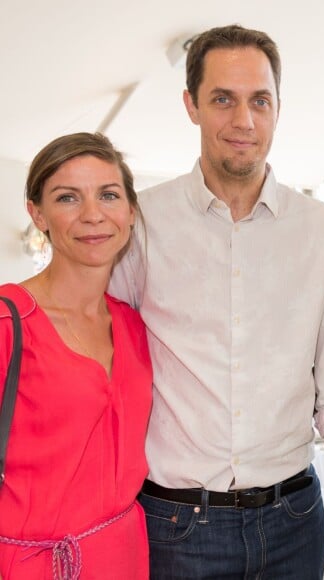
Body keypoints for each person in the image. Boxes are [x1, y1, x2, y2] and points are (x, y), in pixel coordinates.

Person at [109, 23, 324, 580]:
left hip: (295, 521)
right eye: (223, 99)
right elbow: (105, 363)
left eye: (259, 101)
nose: (244, 121)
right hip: (174, 525)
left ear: (277, 108)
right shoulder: (141, 222)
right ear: (191, 105)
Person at [0, 132, 152, 579]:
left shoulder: (134, 324)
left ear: (129, 212)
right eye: (67, 198)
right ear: (38, 214)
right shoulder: (9, 322)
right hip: (28, 566)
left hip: (127, 555)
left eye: (108, 195)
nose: (92, 215)